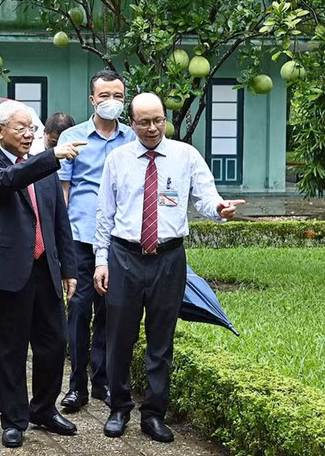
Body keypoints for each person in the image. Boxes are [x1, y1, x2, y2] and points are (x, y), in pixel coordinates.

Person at [94, 93, 244, 442]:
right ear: (132, 123)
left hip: (169, 258)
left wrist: (219, 209)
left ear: (166, 119)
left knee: (161, 341)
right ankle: (119, 408)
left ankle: (154, 414)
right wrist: (101, 261)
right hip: (124, 257)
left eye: (158, 120)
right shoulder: (117, 159)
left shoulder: (185, 155)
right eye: (144, 122)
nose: (152, 128)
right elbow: (104, 214)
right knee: (119, 338)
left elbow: (206, 196)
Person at [0, 100, 84, 448]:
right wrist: (50, 156)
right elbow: (9, 180)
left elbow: (59, 222)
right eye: (19, 128)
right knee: (10, 349)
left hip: (45, 268)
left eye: (31, 128)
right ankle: (13, 419)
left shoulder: (44, 168)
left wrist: (69, 268)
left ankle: (44, 409)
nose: (27, 134)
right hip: (8, 272)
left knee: (54, 343)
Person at [57, 69, 136, 411]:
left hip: (119, 240)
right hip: (80, 237)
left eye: (117, 96)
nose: (111, 102)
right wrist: (60, 240)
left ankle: (102, 381)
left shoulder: (132, 139)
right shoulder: (72, 138)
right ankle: (77, 386)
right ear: (92, 99)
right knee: (78, 310)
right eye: (104, 96)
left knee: (110, 312)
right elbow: (63, 191)